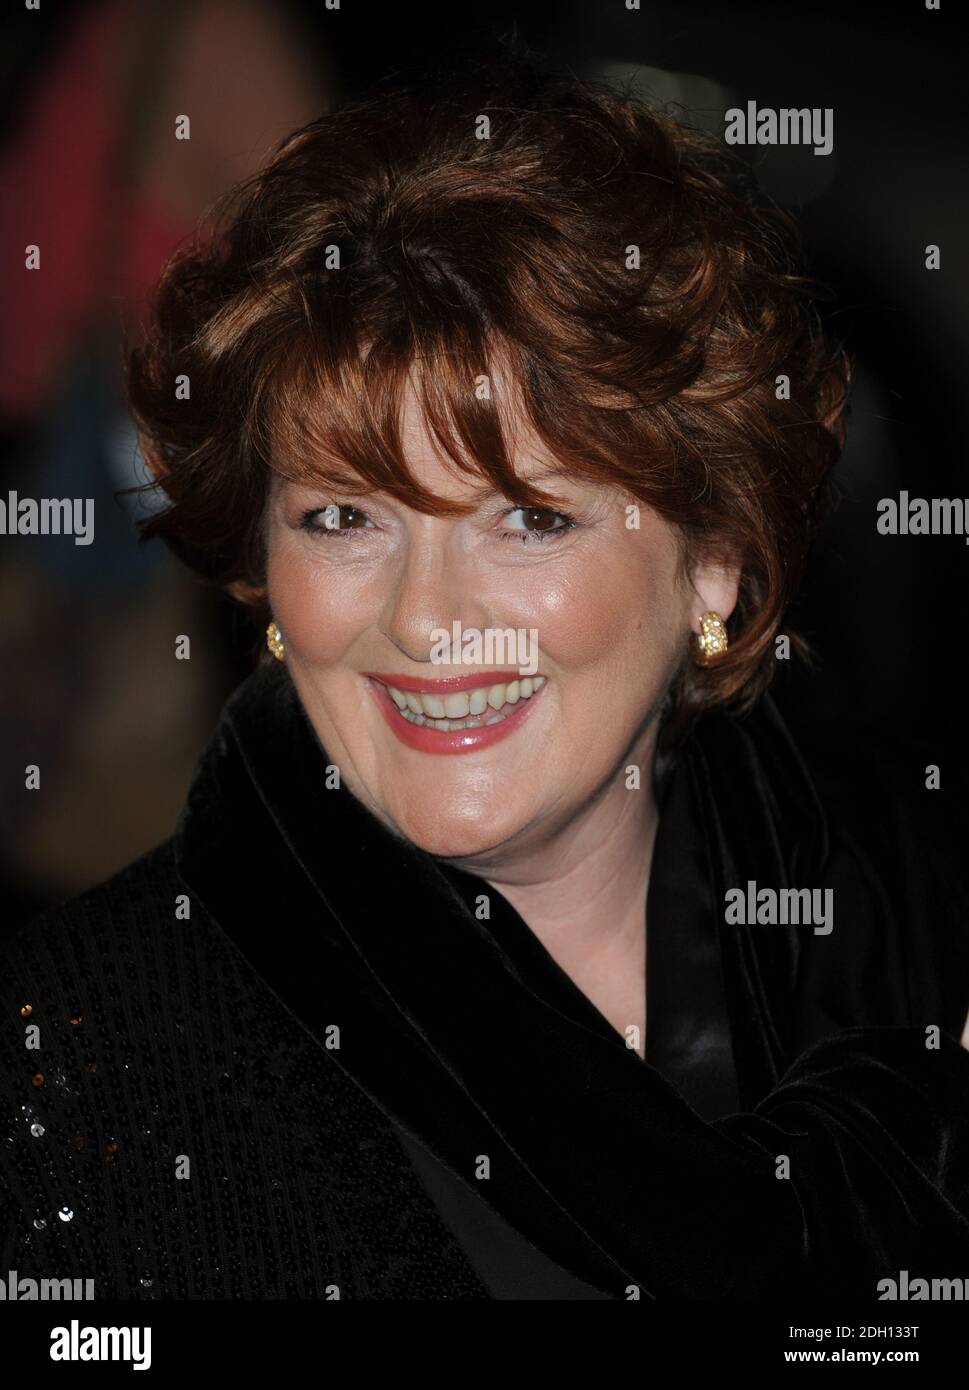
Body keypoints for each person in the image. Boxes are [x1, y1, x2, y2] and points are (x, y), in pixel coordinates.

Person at [3, 55, 968, 1301]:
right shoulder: (76, 1068)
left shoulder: (911, 914)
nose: (427, 619)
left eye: (528, 519)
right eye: (344, 519)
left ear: (714, 562)